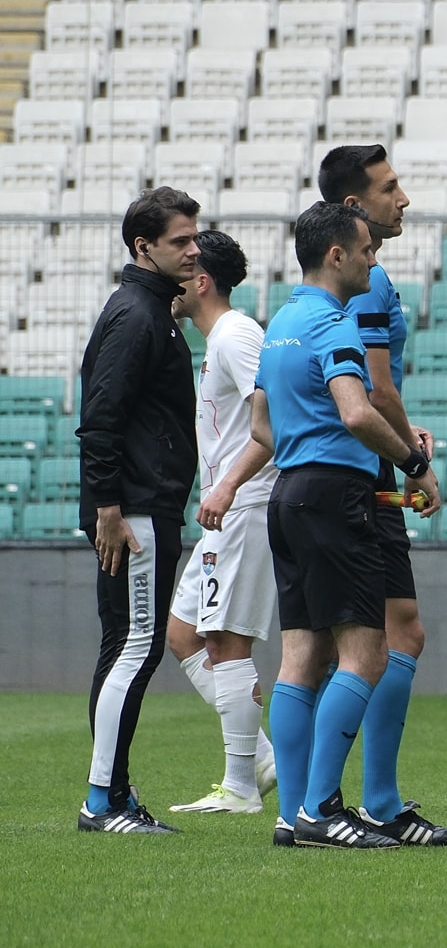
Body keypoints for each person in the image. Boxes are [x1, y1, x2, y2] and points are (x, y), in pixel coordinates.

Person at [253, 202, 442, 849]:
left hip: (288, 494)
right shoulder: (335, 324)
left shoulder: (279, 321)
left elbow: (261, 424)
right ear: (336, 254)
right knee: (366, 653)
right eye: (366, 249)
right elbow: (359, 413)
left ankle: (293, 815)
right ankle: (322, 808)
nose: (374, 258)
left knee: (300, 656)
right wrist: (414, 461)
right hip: (336, 497)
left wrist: (308, 445)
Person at [317, 144, 447, 846]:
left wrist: (404, 427)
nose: (403, 199)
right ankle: (370, 801)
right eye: (390, 187)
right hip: (365, 474)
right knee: (393, 633)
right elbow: (375, 389)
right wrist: (415, 463)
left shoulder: (346, 286)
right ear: (353, 207)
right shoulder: (367, 282)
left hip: (341, 470)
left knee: (324, 647)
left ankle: (319, 802)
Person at [76, 187, 203, 834]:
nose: (193, 249)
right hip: (136, 511)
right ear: (142, 246)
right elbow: (100, 419)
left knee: (123, 646)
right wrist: (107, 508)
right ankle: (102, 800)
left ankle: (115, 794)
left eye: (194, 237)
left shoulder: (149, 310)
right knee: (136, 645)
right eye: (180, 240)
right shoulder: (137, 315)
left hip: (141, 505)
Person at [163, 230, 278, 814]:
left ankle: (240, 787)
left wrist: (231, 484)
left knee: (225, 640)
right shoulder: (219, 341)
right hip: (221, 513)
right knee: (182, 633)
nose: (172, 286)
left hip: (244, 508)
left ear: (201, 282)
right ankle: (259, 757)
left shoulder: (236, 336)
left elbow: (274, 417)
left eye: (181, 275)